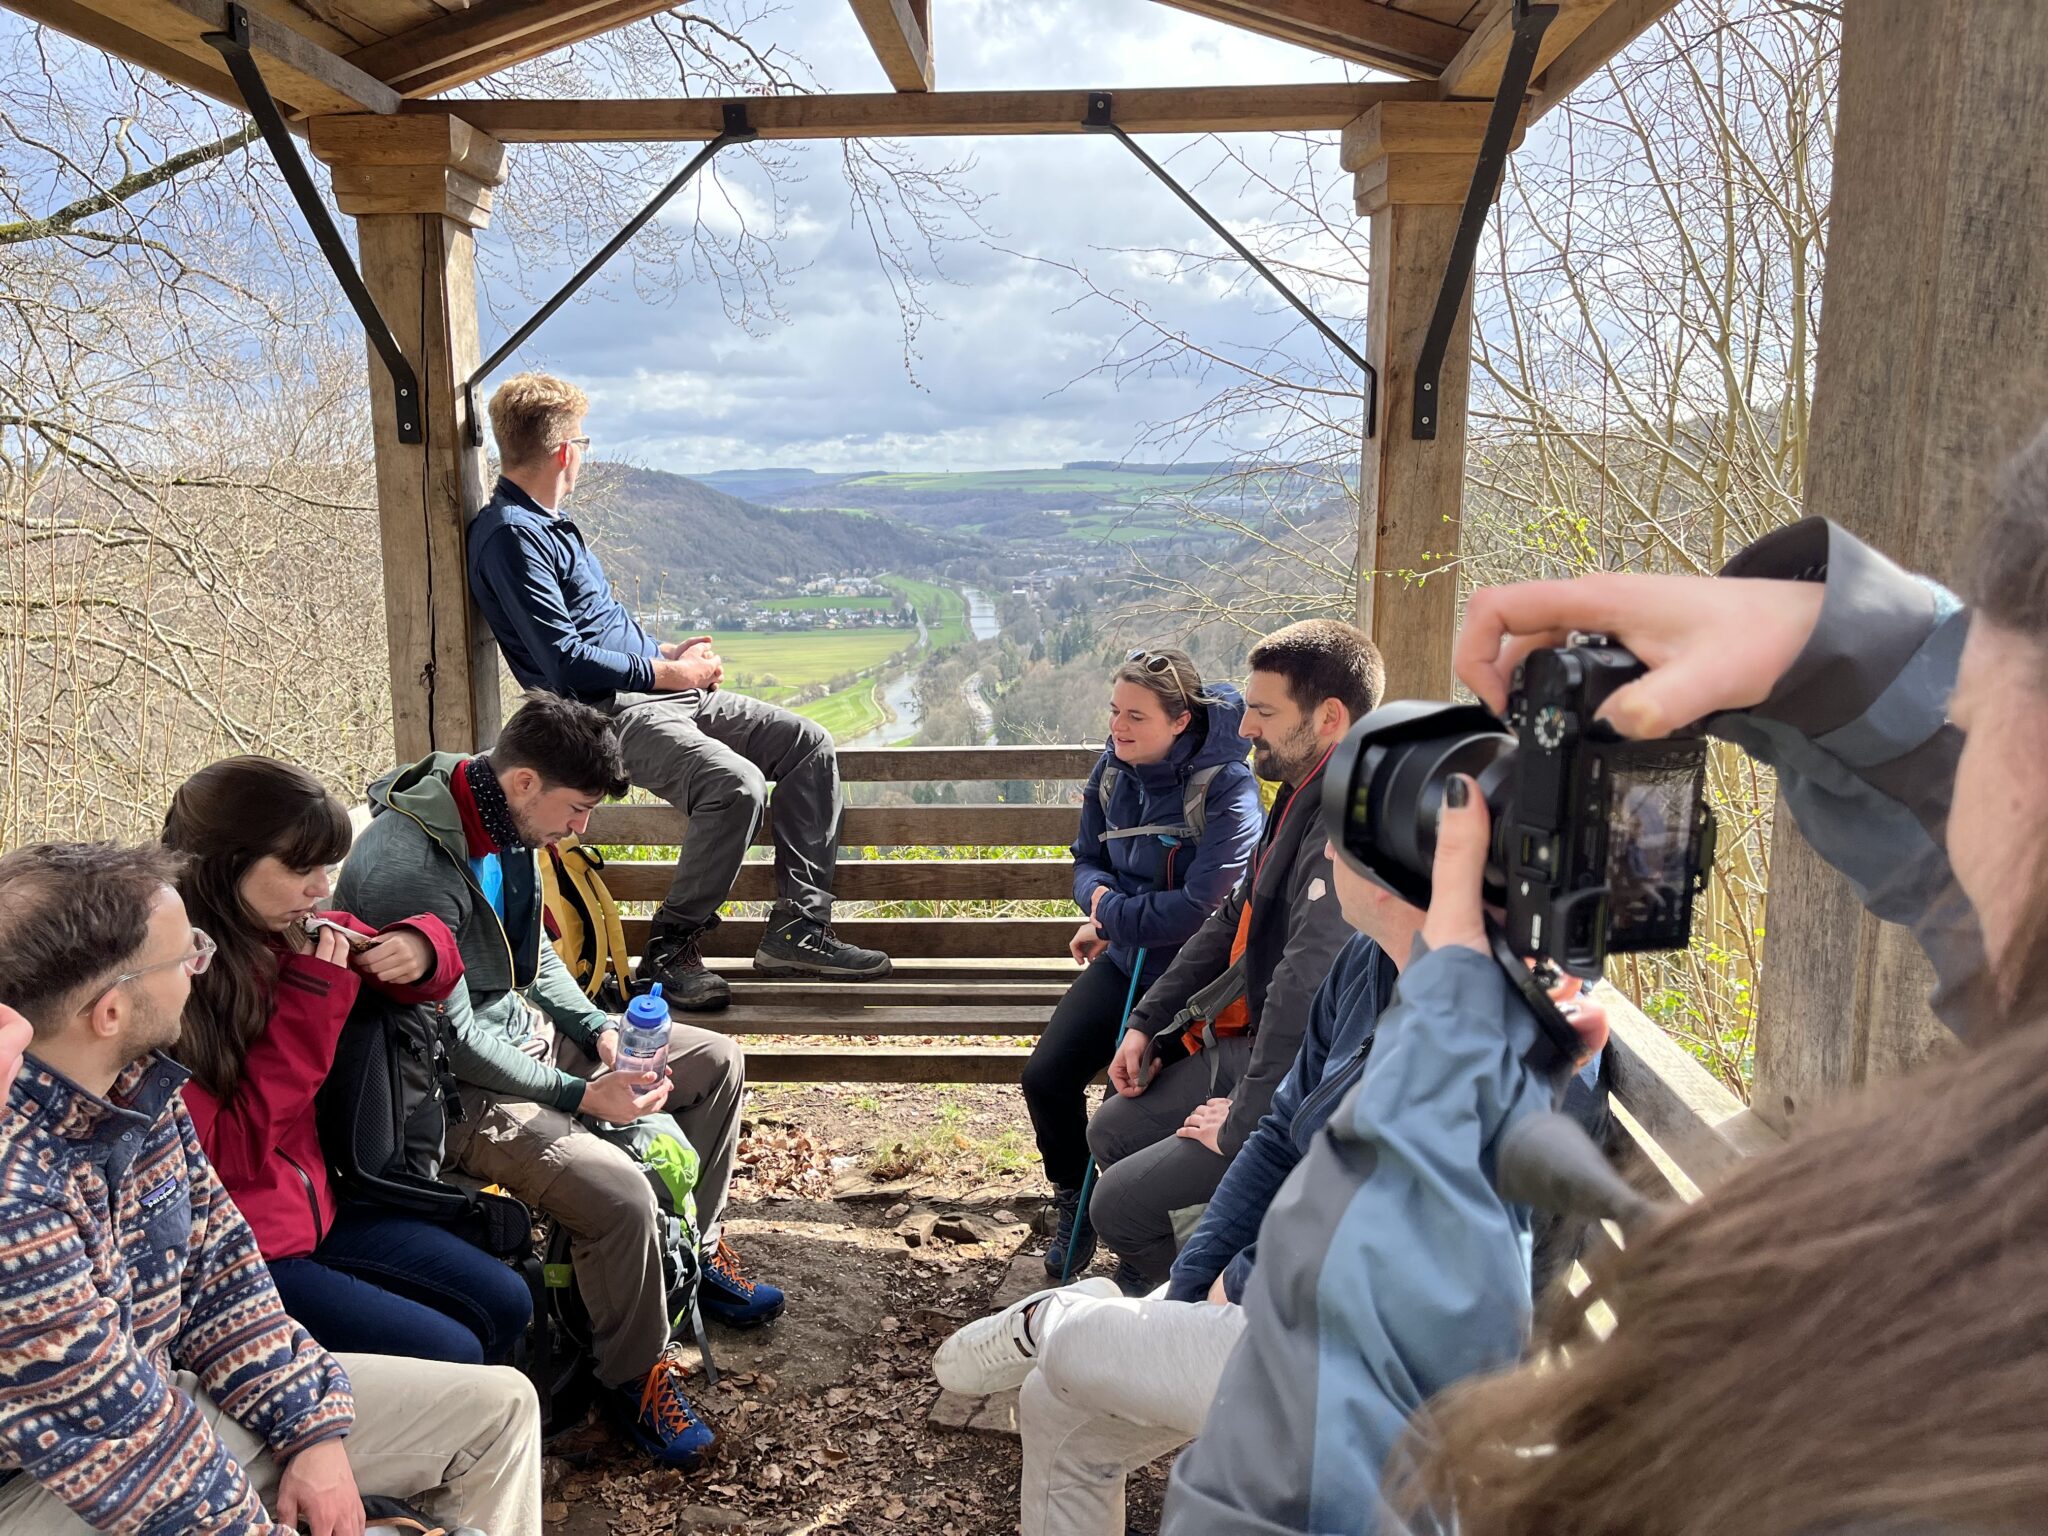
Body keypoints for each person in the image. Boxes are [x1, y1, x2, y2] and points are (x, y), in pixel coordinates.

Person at [1162, 425, 2048, 1535]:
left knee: (1064, 1352)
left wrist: (1449, 1054)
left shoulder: (1904, 1413)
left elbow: (1289, 1502)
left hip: (1366, 1359)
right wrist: (1843, 654)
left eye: (1970, 710)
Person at [0, 841, 540, 1535]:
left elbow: (223, 1273)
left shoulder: (137, 1090)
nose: (201, 967)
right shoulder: (19, 1191)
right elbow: (116, 1442)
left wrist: (309, 1430)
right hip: (46, 1477)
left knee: (498, 1412)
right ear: (109, 1012)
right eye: (185, 956)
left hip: (159, 1404)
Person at [335, 693, 782, 1472]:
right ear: (524, 781)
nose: (581, 829)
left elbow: (532, 959)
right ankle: (630, 1378)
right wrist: (581, 1096)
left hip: (523, 1041)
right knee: (617, 1196)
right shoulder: (407, 866)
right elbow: (456, 1039)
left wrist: (597, 1031)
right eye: (576, 811)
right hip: (454, 1095)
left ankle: (692, 1252)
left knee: (713, 1064)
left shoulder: (504, 826)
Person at [467, 372, 888, 1014]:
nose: (583, 451)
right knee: (735, 785)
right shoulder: (510, 536)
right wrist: (671, 675)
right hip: (605, 718)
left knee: (808, 743)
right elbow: (564, 664)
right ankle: (671, 946)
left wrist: (666, 654)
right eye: (582, 439)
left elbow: (597, 629)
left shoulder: (548, 524)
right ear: (563, 451)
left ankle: (798, 927)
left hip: (657, 692)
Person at [163, 755, 534, 1366]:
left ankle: (462, 1431)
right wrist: (311, 1010)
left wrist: (421, 946)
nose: (320, 887)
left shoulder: (288, 934)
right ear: (225, 865)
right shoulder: (176, 990)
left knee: (507, 1299)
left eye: (326, 868)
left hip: (325, 1211)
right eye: (300, 868)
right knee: (454, 1350)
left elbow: (423, 967)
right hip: (245, 1256)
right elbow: (228, 1154)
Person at [1085, 619, 1383, 1291]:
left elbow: (1304, 987)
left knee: (1120, 1207)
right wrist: (1147, 1024)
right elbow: (1228, 921)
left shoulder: (1348, 819)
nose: (1244, 726)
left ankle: (1192, 1307)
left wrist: (1247, 1119)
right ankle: (1210, 1255)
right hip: (1262, 1050)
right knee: (1115, 1127)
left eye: (1264, 711)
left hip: (1306, 1076)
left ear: (1329, 717)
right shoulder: (1299, 797)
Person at [1025, 648, 1262, 1278]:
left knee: (1122, 1109)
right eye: (1114, 711)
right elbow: (1085, 861)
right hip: (1123, 960)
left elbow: (1202, 910)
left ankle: (1151, 1239)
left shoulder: (1228, 789)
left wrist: (1109, 915)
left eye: (1136, 716)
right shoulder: (1112, 770)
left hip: (1193, 983)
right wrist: (1106, 906)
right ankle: (1074, 1200)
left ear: (1181, 721)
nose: (1118, 727)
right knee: (1046, 1076)